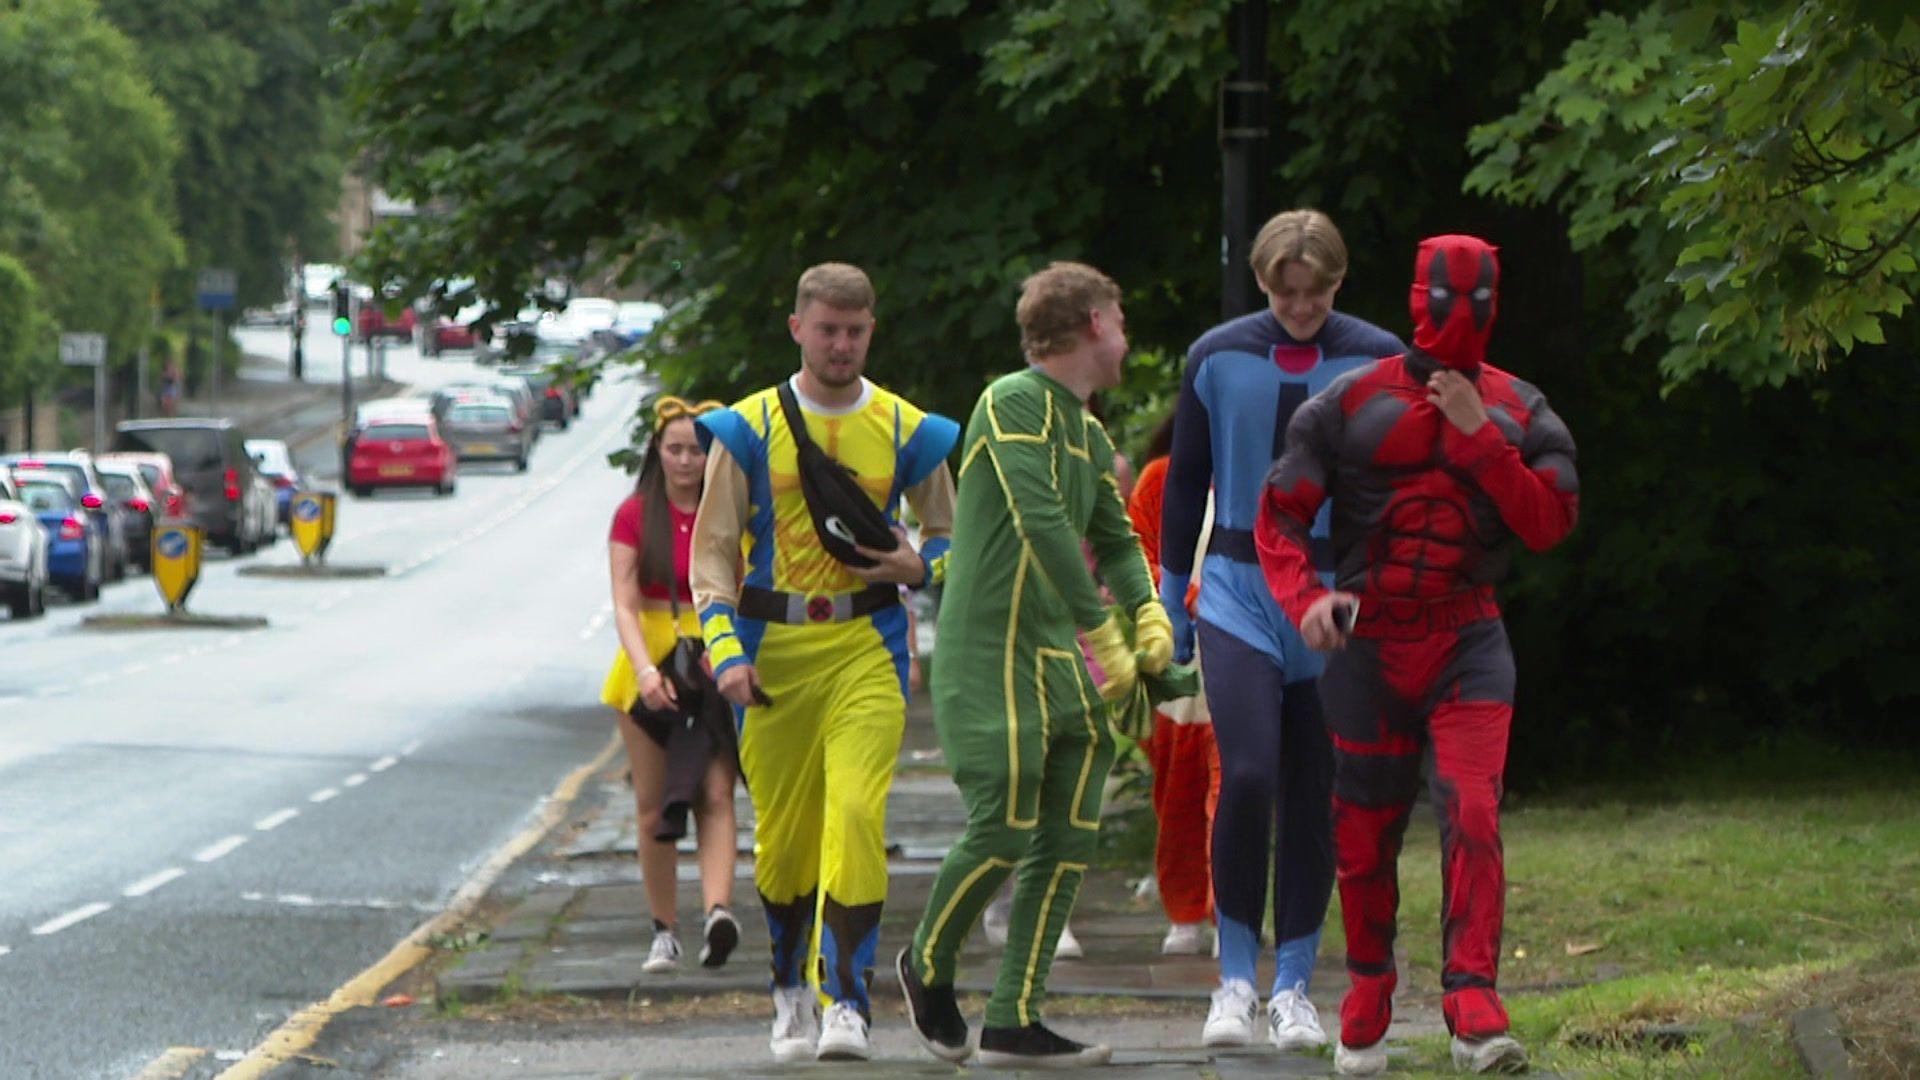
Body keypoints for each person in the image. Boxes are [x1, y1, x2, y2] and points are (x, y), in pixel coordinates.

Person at [1255, 234, 1578, 1075]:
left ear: (1495, 304)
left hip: (1468, 637)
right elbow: (1279, 514)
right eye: (1444, 298)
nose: (1457, 316)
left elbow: (1548, 524)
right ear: (1413, 298)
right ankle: (1368, 983)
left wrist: (1480, 439)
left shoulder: (1521, 412)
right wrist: (1305, 600)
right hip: (1371, 641)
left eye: (1474, 300)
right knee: (1363, 833)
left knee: (1474, 808)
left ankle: (1474, 1004)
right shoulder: (1346, 404)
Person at [897, 261, 1174, 1069]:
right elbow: (1042, 519)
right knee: (1005, 828)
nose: (1125, 339)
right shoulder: (1012, 401)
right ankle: (927, 960)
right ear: (1093, 322)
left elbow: (1115, 539)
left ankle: (1016, 1019)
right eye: (1119, 322)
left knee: (1068, 836)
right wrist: (1108, 630)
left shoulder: (1088, 432)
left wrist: (1149, 612)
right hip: (990, 653)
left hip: (1058, 660)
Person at [690, 262, 959, 1064]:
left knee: (856, 817)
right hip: (771, 653)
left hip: (867, 647)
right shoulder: (747, 428)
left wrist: (922, 569)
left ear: (871, 331)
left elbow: (949, 535)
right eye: (826, 329)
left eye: (854, 330)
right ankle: (790, 991)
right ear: (798, 328)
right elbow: (711, 554)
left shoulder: (908, 428)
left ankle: (850, 1000)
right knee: (785, 837)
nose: (840, 344)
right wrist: (726, 653)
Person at [1158, 209, 1406, 1052]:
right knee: (1252, 772)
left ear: (1340, 282)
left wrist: (1382, 595)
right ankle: (1234, 980)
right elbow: (1186, 477)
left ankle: (1295, 984)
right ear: (1262, 283)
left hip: (1335, 597)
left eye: (1317, 291)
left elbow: (1395, 488)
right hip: (1235, 588)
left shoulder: (1380, 360)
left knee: (1314, 788)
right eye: (1283, 291)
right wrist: (1168, 599)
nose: (1301, 307)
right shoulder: (1216, 354)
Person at [600, 396, 739, 977]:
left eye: (698, 449)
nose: (686, 460)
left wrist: (732, 655)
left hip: (716, 666)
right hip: (651, 665)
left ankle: (717, 914)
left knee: (716, 794)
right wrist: (645, 672)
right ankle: (664, 930)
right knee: (653, 804)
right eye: (675, 448)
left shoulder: (732, 511)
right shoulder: (634, 515)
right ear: (658, 453)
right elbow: (625, 603)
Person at [1126, 412, 1219, 956]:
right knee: (1178, 789)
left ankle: (1229, 905)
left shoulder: (1256, 477)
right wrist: (1184, 600)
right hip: (1178, 660)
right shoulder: (1160, 478)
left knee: (1233, 787)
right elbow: (1135, 557)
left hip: (1240, 652)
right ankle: (1185, 907)